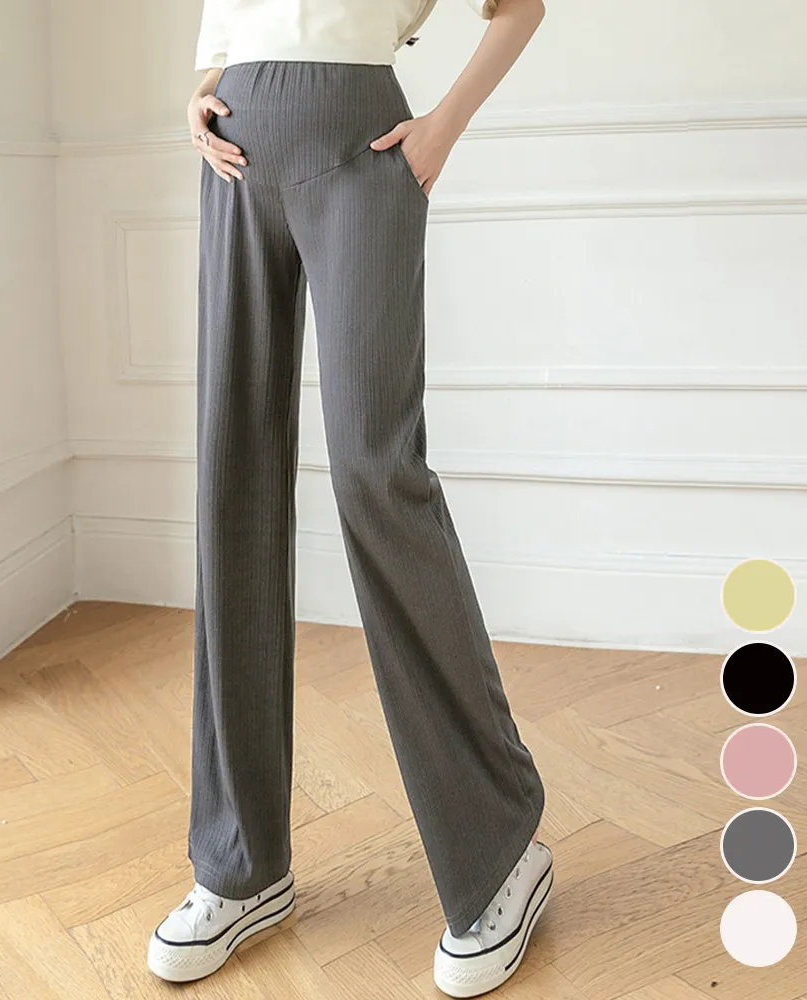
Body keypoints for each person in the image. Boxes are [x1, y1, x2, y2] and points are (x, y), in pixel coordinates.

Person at [147, 1, 550, 995]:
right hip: (235, 156)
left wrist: (441, 128)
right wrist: (202, 94)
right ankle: (241, 862)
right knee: (232, 473)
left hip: (360, 150)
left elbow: (521, 6)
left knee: (378, 471)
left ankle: (499, 846)